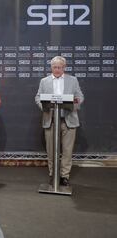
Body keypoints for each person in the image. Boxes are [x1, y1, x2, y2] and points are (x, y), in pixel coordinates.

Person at [35, 56, 84, 186]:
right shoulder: (44, 81)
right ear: (51, 68)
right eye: (55, 67)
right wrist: (44, 107)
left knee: (67, 150)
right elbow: (38, 97)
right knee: (51, 150)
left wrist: (74, 104)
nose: (57, 69)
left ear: (64, 68)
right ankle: (53, 174)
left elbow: (79, 96)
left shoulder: (72, 80)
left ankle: (64, 176)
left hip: (68, 119)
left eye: (59, 67)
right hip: (50, 120)